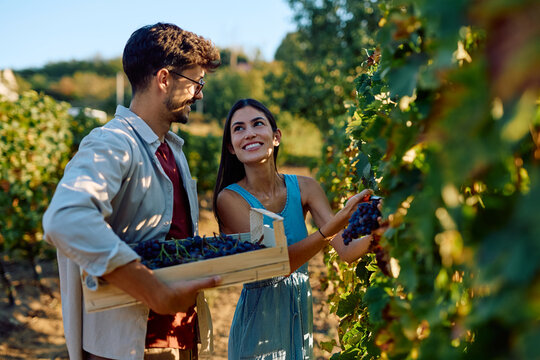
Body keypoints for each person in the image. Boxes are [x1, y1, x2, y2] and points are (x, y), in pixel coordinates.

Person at [42, 23, 221, 360]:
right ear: (164, 79)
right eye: (196, 83)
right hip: (131, 346)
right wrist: (151, 290)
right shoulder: (112, 143)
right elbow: (65, 218)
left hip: (178, 338)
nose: (199, 94)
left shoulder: (171, 149)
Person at [212, 98, 380, 359]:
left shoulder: (305, 187)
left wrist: (385, 225)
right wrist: (336, 223)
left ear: (276, 136)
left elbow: (346, 251)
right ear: (231, 147)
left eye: (258, 124)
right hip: (259, 325)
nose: (250, 133)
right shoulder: (229, 200)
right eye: (239, 128)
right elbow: (277, 264)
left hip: (300, 318)